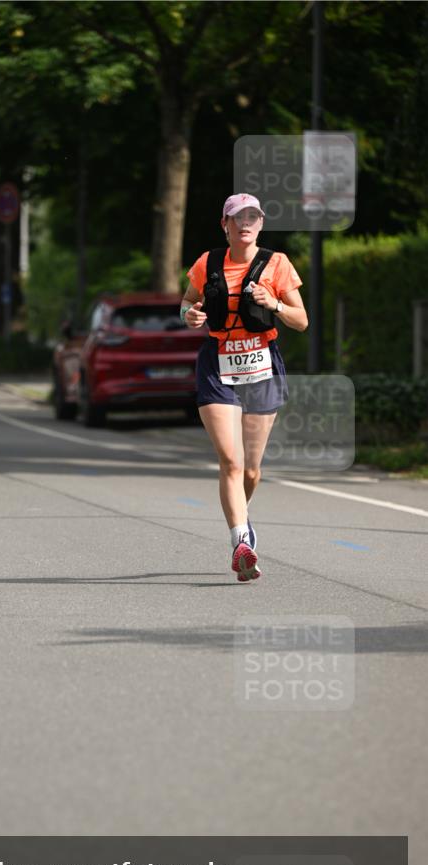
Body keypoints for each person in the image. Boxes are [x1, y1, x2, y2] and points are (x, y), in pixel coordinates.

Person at [181, 193, 308, 582]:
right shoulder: (207, 263)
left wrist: (274, 303)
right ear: (226, 225)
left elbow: (301, 320)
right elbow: (188, 302)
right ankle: (241, 541)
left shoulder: (277, 264)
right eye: (238, 218)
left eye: (253, 217)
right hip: (217, 366)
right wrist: (190, 314)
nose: (246, 223)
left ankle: (242, 521)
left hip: (261, 366)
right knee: (231, 462)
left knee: (251, 470)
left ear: (261, 223)